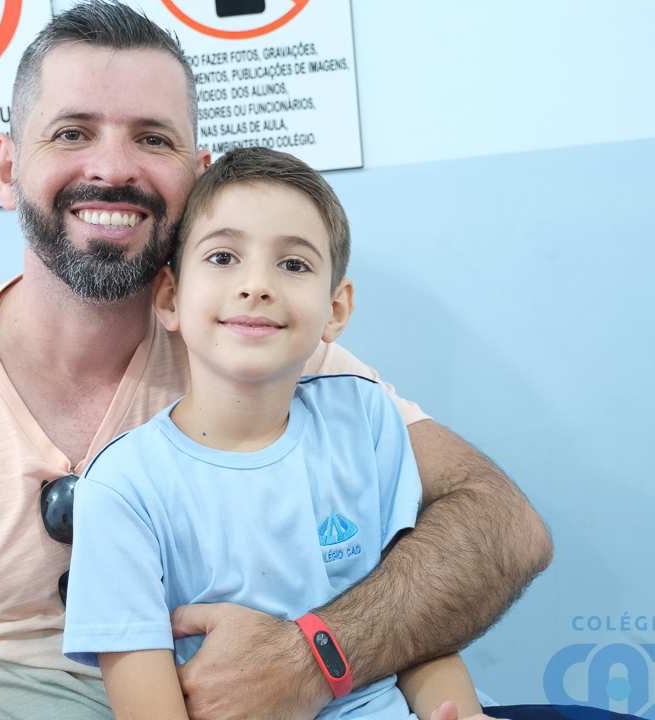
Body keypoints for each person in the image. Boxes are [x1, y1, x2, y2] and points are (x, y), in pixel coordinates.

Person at [0, 3, 552, 719]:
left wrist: (316, 657)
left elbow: (503, 526)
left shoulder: (265, 357)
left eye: (152, 138)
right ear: (8, 169)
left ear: (197, 176)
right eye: (71, 133)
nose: (113, 169)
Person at [63, 146, 496, 720]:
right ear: (170, 297)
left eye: (293, 265)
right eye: (223, 257)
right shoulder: (122, 489)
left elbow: (414, 628)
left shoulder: (365, 418)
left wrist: (461, 714)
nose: (256, 285)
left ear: (335, 310)